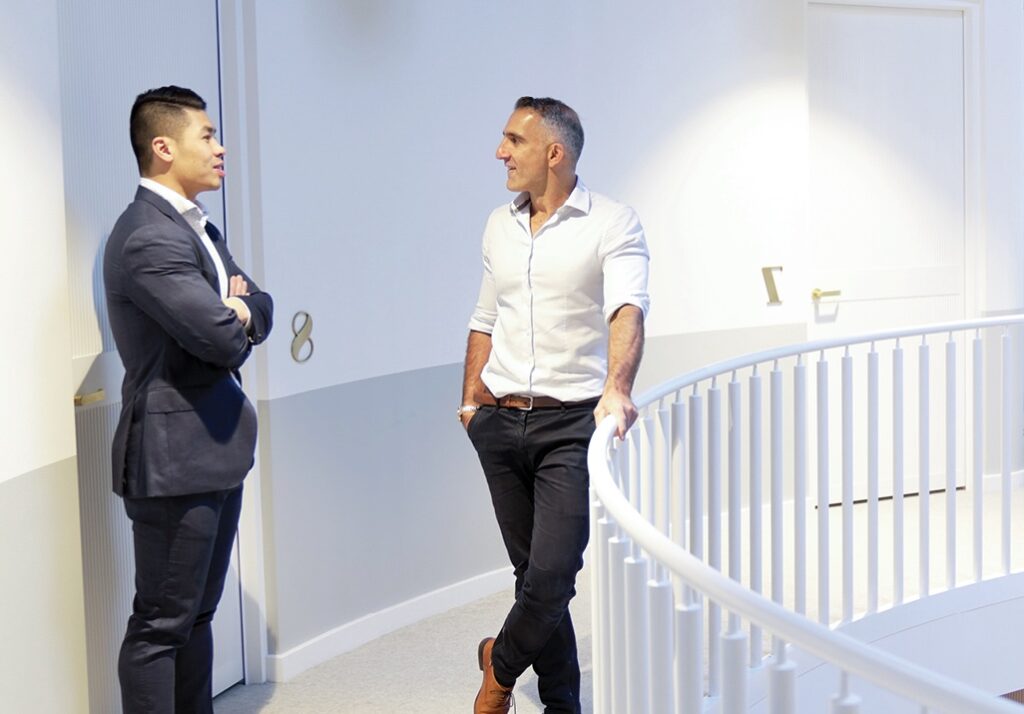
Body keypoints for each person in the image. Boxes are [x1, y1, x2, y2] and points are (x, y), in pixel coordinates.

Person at [461, 97, 650, 714]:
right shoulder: (498, 224)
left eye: (513, 140)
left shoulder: (613, 223)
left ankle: (499, 671)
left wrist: (618, 387)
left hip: (571, 424)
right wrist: (470, 404)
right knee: (531, 578)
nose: (500, 152)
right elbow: (486, 315)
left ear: (554, 152)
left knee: (552, 575)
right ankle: (563, 703)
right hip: (499, 420)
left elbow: (627, 309)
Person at [103, 85, 273, 714]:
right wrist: (235, 313)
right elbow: (222, 338)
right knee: (161, 625)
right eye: (207, 135)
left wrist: (240, 308)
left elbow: (259, 305)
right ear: (164, 146)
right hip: (173, 458)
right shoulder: (147, 237)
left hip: (213, 450)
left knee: (196, 616)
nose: (220, 146)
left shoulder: (194, 226)